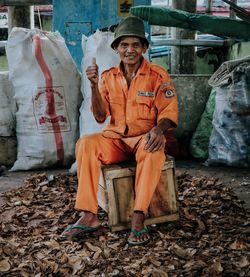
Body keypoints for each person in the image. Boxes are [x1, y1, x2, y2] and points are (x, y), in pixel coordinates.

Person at [62, 16, 178, 246]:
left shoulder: (158, 75)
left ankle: (138, 217)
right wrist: (93, 86)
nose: (130, 50)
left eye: (136, 44)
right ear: (116, 49)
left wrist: (158, 129)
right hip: (115, 139)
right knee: (86, 143)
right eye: (124, 45)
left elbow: (169, 111)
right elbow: (99, 116)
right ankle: (89, 214)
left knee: (153, 149)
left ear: (144, 48)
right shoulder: (108, 77)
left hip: (144, 138)